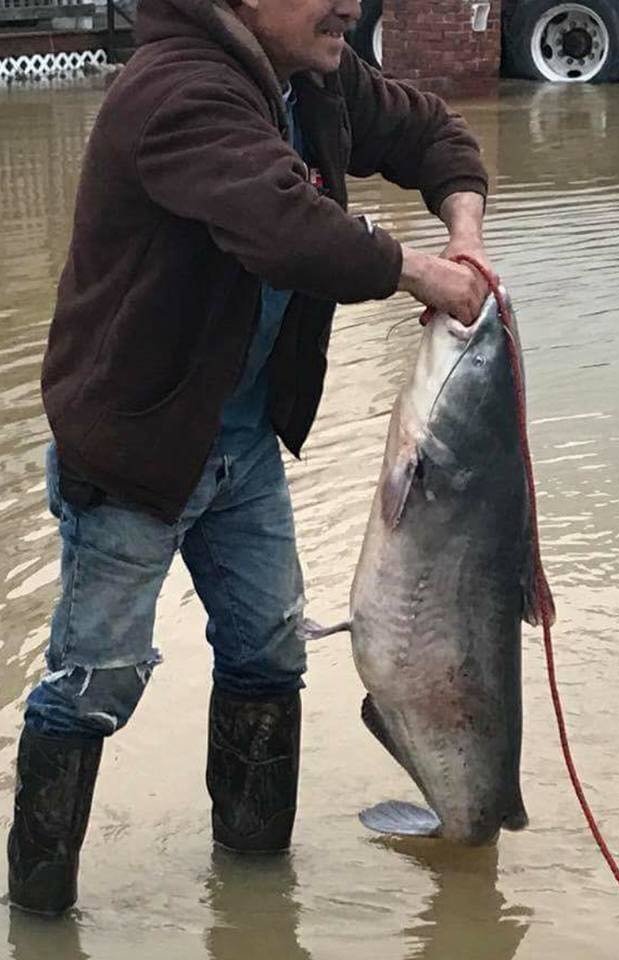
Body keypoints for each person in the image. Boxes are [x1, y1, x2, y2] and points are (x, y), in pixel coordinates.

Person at [7, 0, 494, 916]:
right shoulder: (175, 91)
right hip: (135, 454)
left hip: (242, 444)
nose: (351, 5)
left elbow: (434, 133)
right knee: (94, 680)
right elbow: (292, 231)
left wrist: (463, 233)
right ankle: (37, 911)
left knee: (271, 653)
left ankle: (258, 892)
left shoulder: (315, 74)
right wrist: (428, 276)